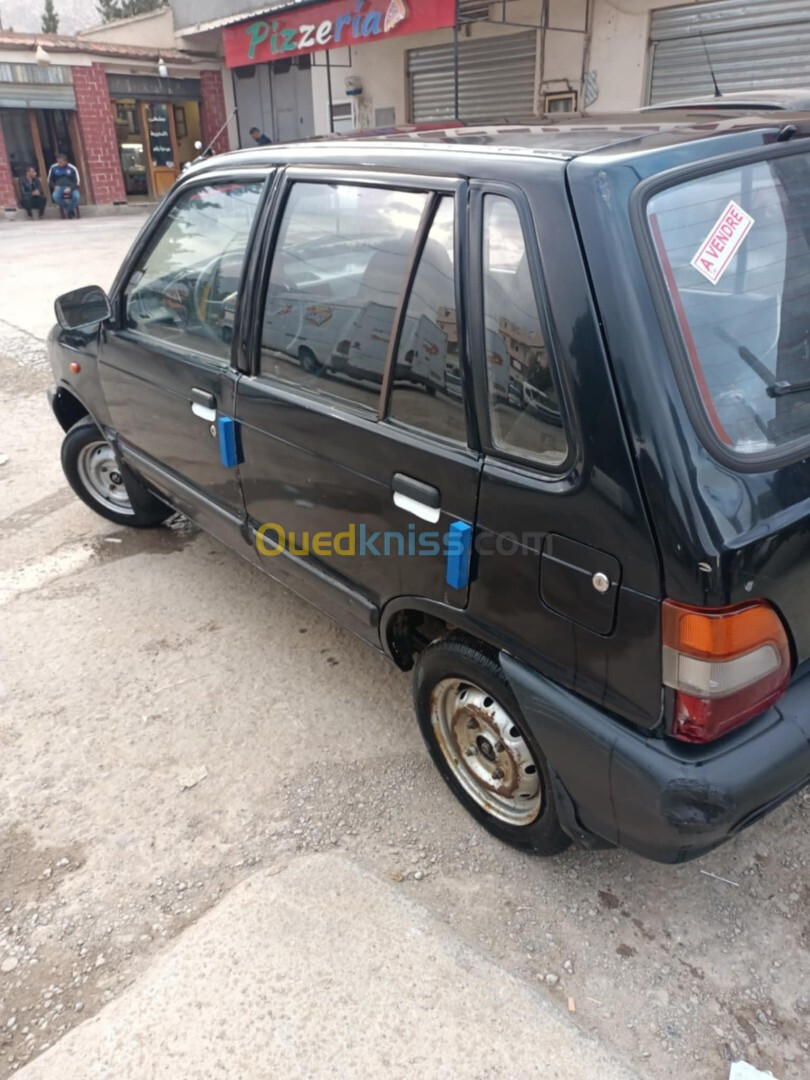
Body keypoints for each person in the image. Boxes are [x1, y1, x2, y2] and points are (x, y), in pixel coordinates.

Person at [48, 153, 81, 219]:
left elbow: (77, 182)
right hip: (59, 187)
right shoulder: (53, 167)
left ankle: (69, 210)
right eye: (58, 161)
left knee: (76, 197)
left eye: (60, 162)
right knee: (55, 196)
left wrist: (71, 188)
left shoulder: (72, 168)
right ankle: (70, 209)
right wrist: (54, 186)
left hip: (71, 187)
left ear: (65, 161)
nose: (59, 163)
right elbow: (50, 180)